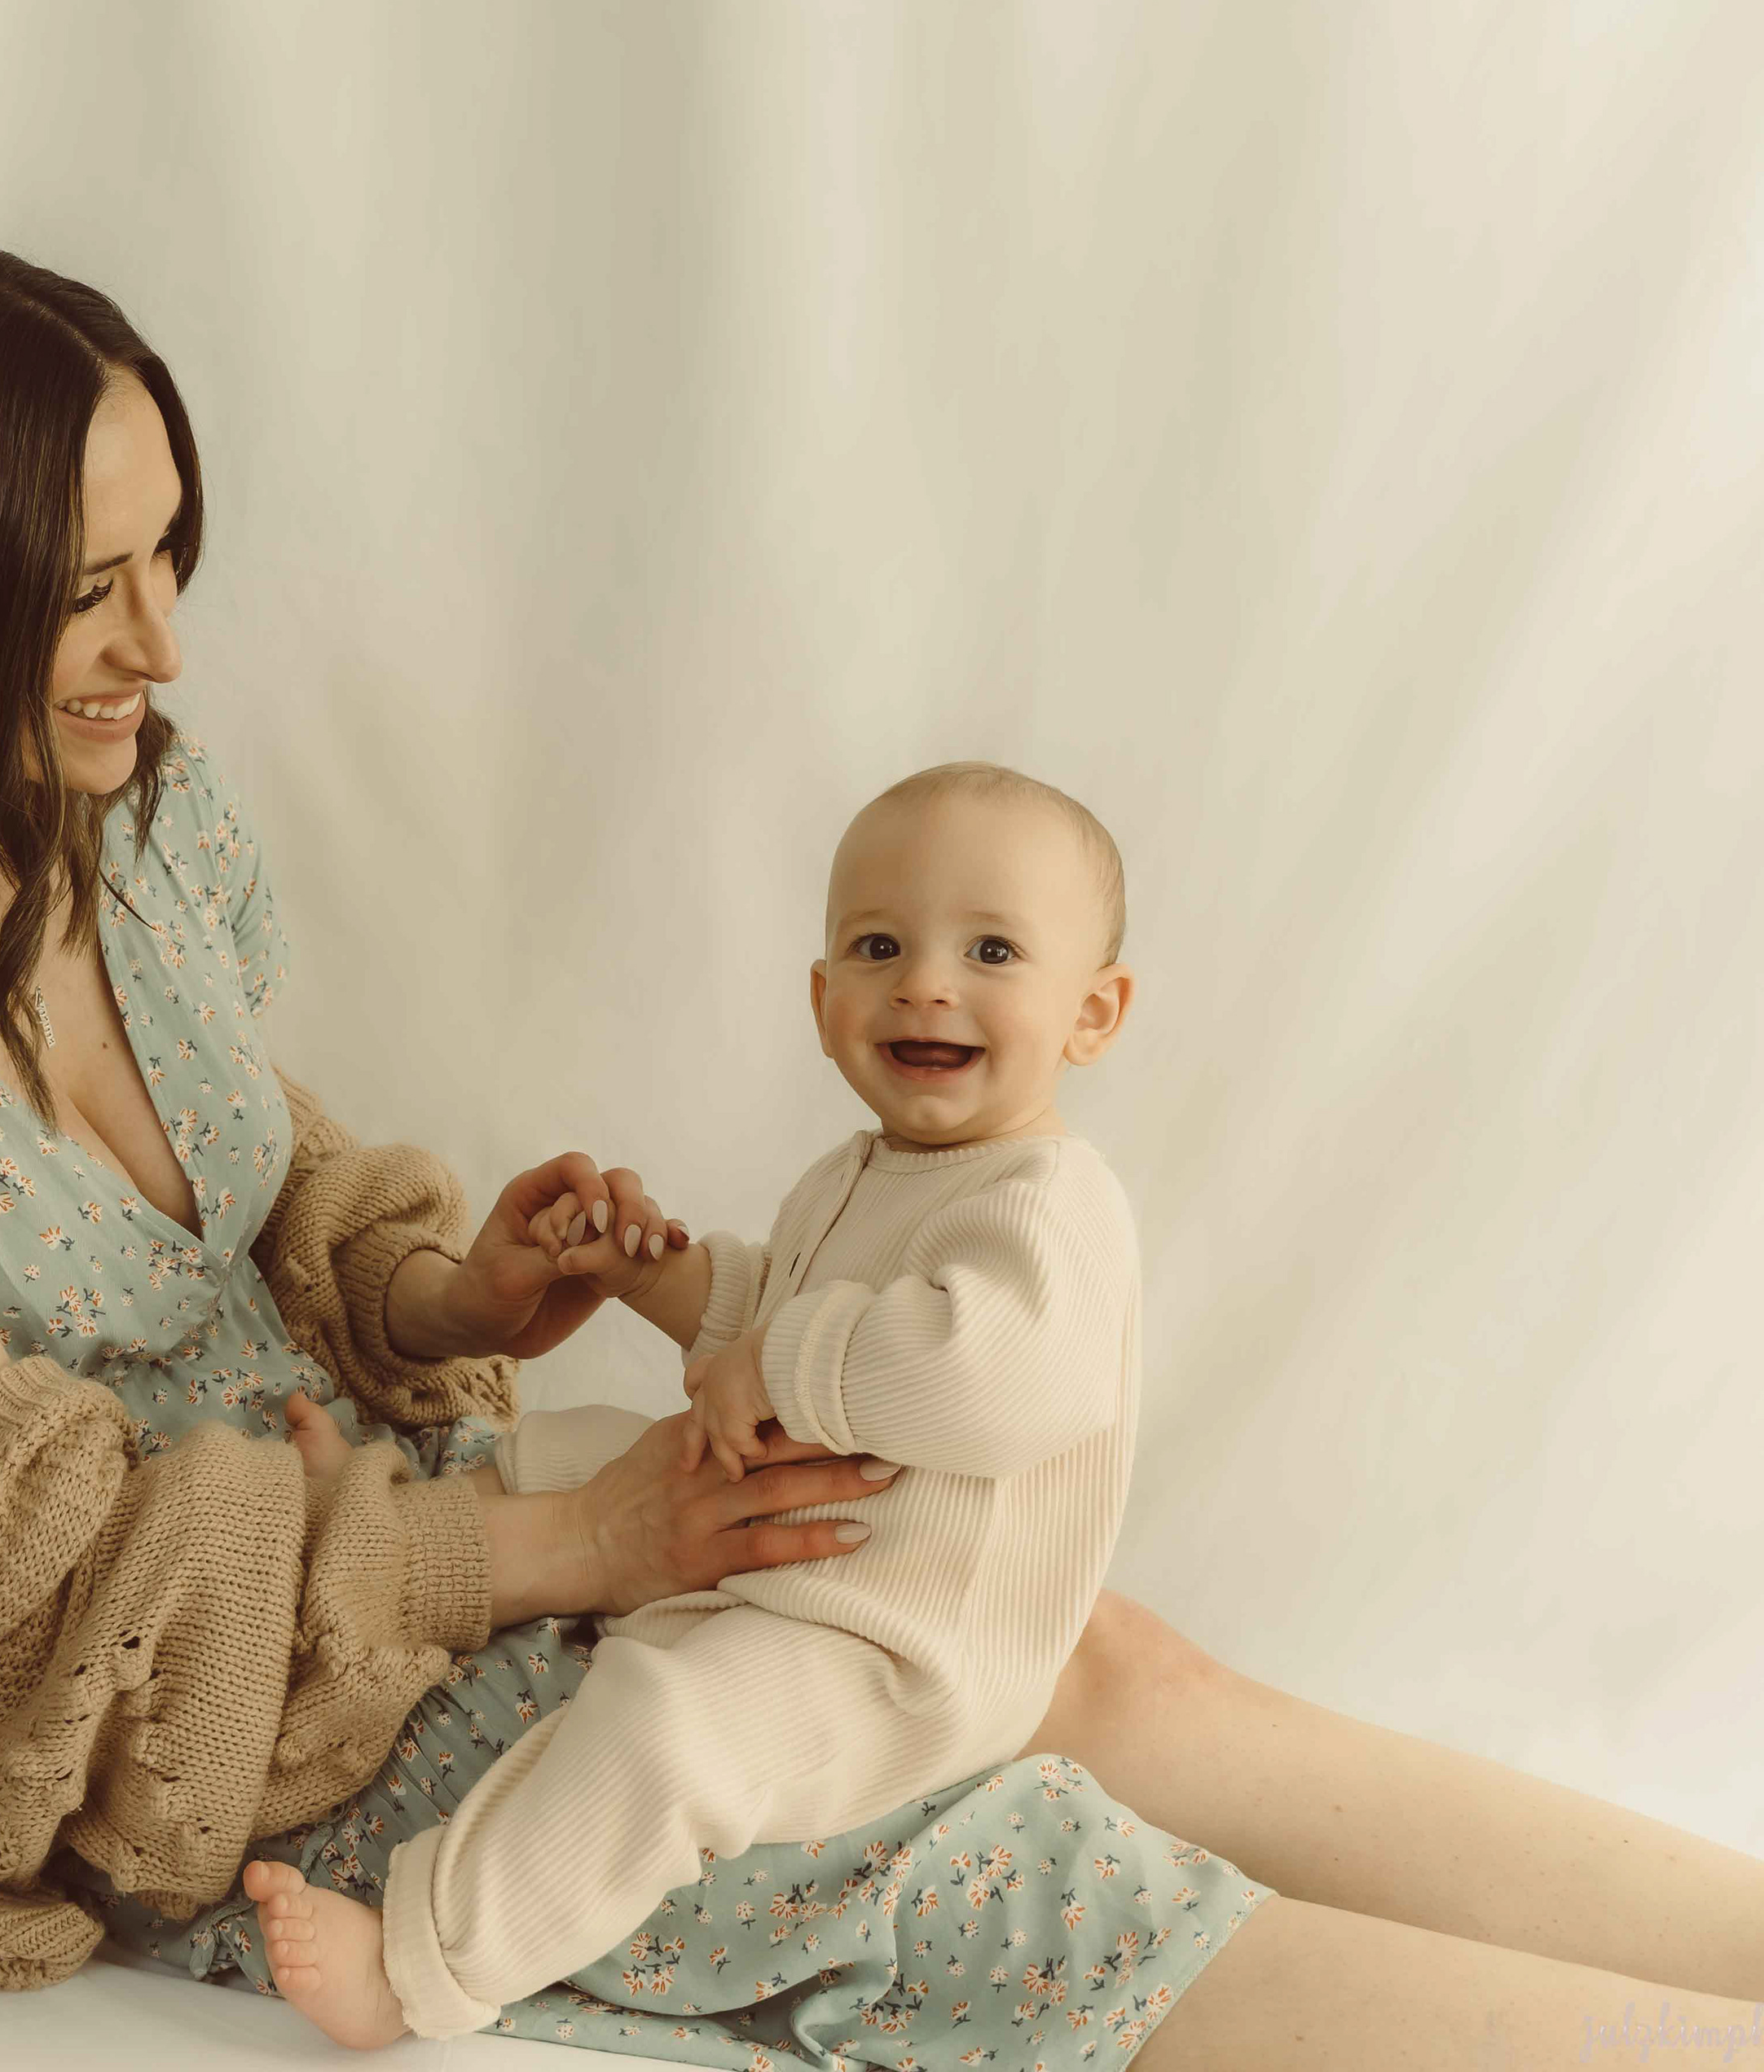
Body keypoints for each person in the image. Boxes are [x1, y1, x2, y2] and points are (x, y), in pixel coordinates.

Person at [0, 223, 1764, 2068]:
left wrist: (455, 1295)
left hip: (420, 1522)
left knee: (1070, 1655)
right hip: (200, 1727)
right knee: (998, 1870)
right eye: (87, 588)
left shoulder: (135, 825)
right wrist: (570, 1544)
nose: (165, 644)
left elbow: (259, 1197)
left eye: (170, 554)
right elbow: (37, 1560)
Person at [255, 763, 1166, 2048]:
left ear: (1094, 1012)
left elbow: (993, 1375)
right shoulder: (861, 1171)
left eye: (992, 951)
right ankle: (375, 1520)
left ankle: (422, 1967)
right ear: (823, 1002)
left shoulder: (1053, 1203)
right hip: (799, 1551)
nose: (926, 983)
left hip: (885, 1651)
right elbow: (766, 1309)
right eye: (881, 947)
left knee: (663, 1730)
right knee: (567, 1444)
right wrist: (645, 1273)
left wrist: (783, 1361)